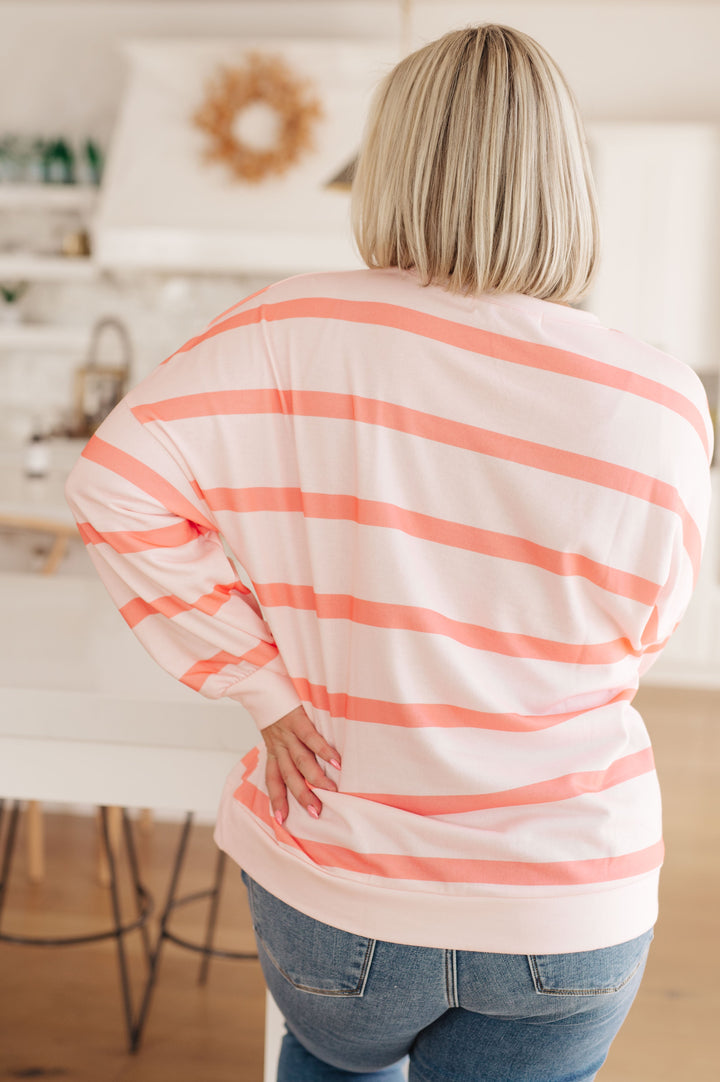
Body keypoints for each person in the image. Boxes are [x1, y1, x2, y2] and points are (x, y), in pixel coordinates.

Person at [65, 24, 713, 1082]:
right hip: (566, 894)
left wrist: (261, 684)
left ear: (394, 162)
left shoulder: (288, 325)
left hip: (343, 882)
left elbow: (115, 483)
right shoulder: (662, 395)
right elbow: (643, 629)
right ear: (566, 178)